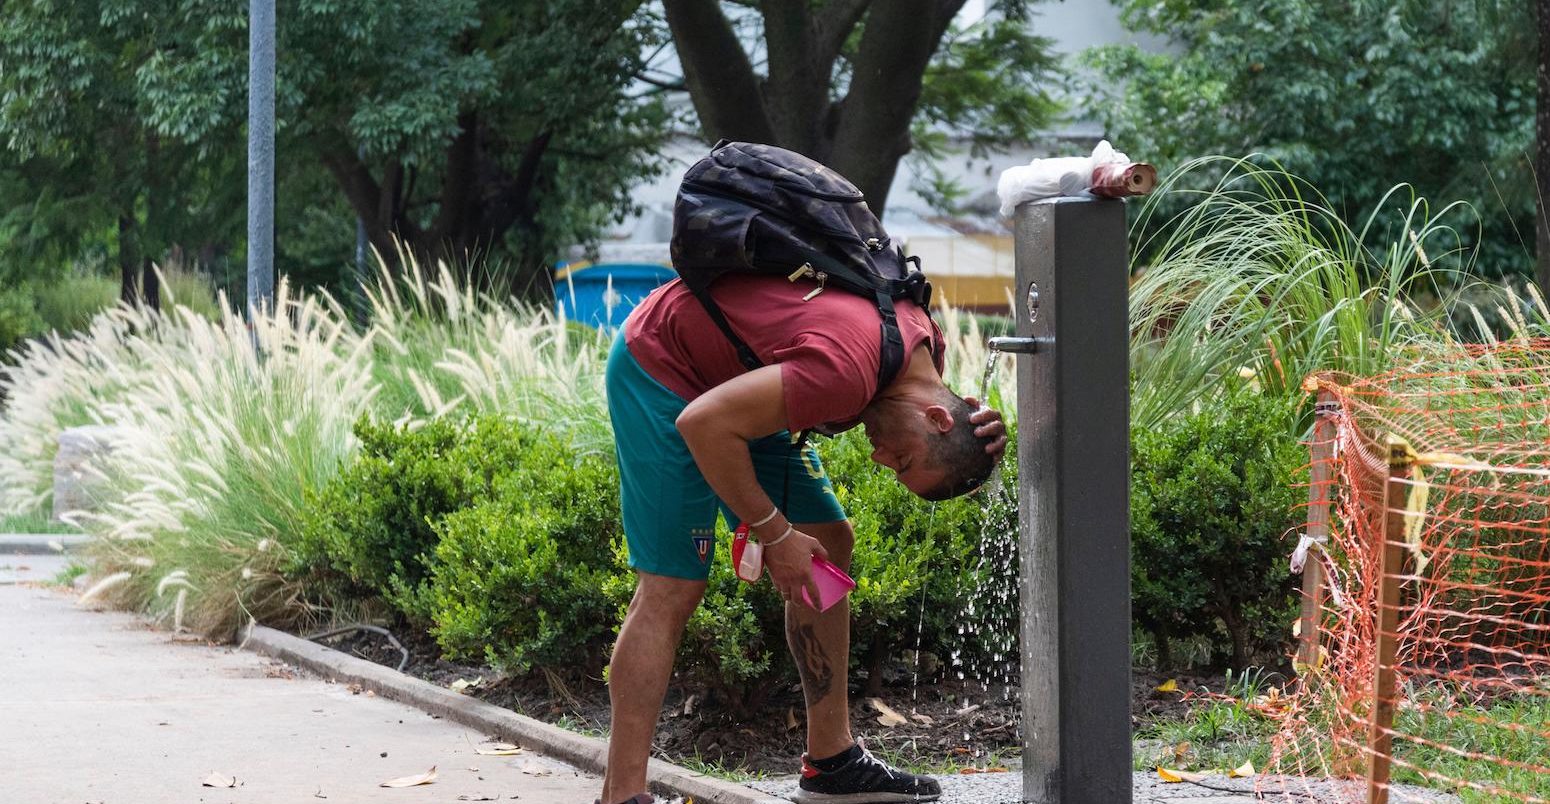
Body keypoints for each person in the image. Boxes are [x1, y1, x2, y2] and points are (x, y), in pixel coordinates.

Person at [599, 264, 1007, 804]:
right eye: (901, 458)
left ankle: (832, 764)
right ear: (934, 418)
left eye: (894, 466)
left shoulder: (923, 348)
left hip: (748, 385)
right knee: (673, 587)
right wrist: (774, 533)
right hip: (667, 372)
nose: (878, 457)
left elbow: (941, 415)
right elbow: (703, 423)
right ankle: (622, 794)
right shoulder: (844, 369)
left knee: (827, 545)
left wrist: (978, 435)